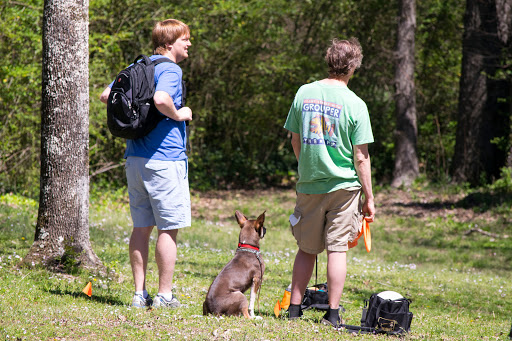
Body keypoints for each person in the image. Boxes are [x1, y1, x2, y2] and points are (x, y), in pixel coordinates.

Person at [283, 38, 376, 329]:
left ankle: (294, 310)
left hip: (309, 184)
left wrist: (307, 166)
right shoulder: (356, 104)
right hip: (345, 188)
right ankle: (332, 315)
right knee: (337, 249)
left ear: (328, 60)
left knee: (306, 249)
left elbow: (295, 139)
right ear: (353, 67)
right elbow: (361, 157)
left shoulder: (304, 92)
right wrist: (369, 197)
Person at [100, 19, 193, 308]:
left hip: (135, 159)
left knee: (141, 227)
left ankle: (139, 295)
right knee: (168, 228)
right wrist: (179, 114)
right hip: (164, 160)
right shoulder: (171, 69)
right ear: (168, 44)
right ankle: (164, 296)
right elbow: (162, 98)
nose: (189, 44)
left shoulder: (137, 66)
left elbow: (106, 95)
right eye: (184, 39)